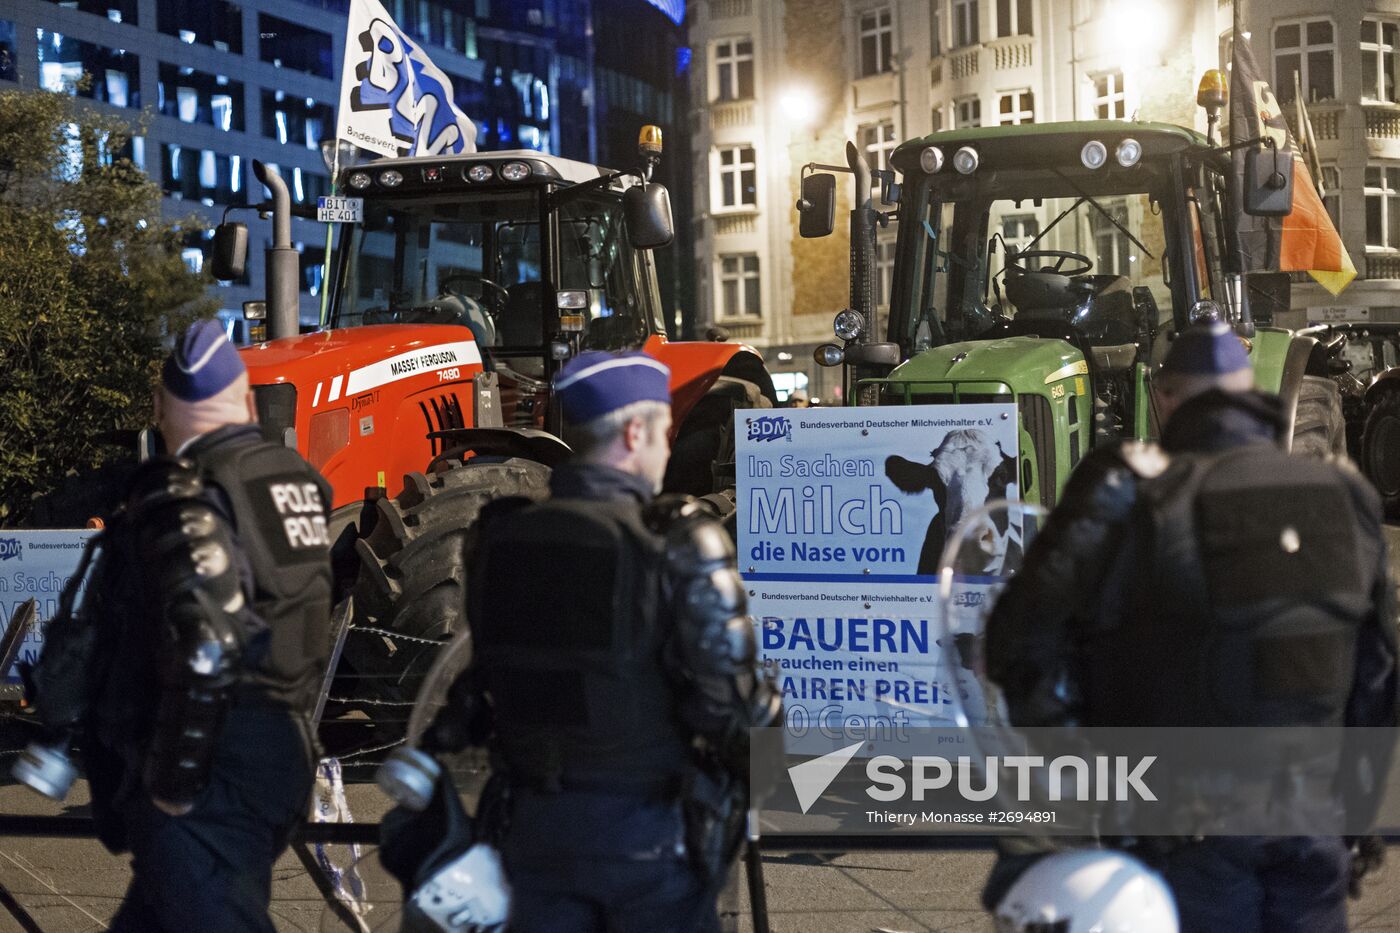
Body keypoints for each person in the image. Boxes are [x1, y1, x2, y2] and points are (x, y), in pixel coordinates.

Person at [981, 323, 1398, 933]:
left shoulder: (1134, 491)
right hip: (1311, 833)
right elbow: (1378, 677)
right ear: (1248, 391)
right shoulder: (1346, 492)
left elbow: (1018, 641)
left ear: (1167, 398)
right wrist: (1354, 822)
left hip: (1180, 834)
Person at [456, 349, 781, 933]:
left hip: (530, 834)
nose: (666, 453)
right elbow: (733, 717)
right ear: (635, 432)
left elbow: (484, 683)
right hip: (646, 842)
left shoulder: (499, 541)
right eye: (662, 434)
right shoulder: (676, 543)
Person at [63, 320, 333, 932]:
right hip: (278, 748)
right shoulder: (294, 480)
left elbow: (208, 645)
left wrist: (173, 785)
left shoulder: (192, 493)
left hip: (211, 766)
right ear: (244, 398)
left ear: (160, 407)